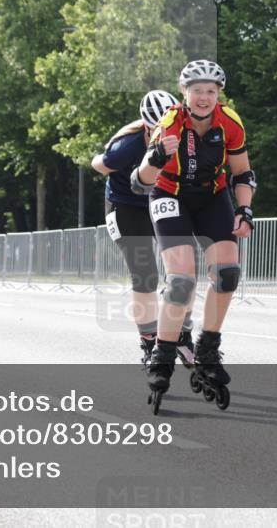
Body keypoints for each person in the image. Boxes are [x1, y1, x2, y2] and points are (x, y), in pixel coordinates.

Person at [131, 60, 256, 410]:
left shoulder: (229, 122)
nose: (204, 97)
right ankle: (163, 355)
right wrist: (155, 156)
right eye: (197, 91)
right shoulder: (170, 122)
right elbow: (139, 181)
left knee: (228, 274)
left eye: (211, 91)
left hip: (211, 196)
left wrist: (244, 210)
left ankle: (208, 347)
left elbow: (242, 172)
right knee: (182, 281)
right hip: (169, 194)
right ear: (184, 93)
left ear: (219, 94)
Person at [92, 90, 196, 368]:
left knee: (182, 273)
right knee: (146, 275)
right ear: (148, 127)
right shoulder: (127, 145)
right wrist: (106, 158)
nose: (164, 133)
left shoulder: (186, 136)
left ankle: (182, 334)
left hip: (159, 201)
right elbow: (99, 165)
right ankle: (149, 342)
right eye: (157, 130)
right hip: (125, 206)